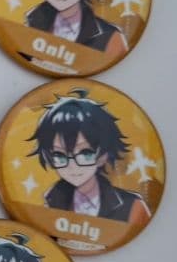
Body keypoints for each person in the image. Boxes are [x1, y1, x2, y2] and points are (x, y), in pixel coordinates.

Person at [30, 89, 151, 223]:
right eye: (59, 155)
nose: (72, 165)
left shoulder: (132, 207)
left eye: (85, 153)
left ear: (103, 155)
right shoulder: (52, 202)